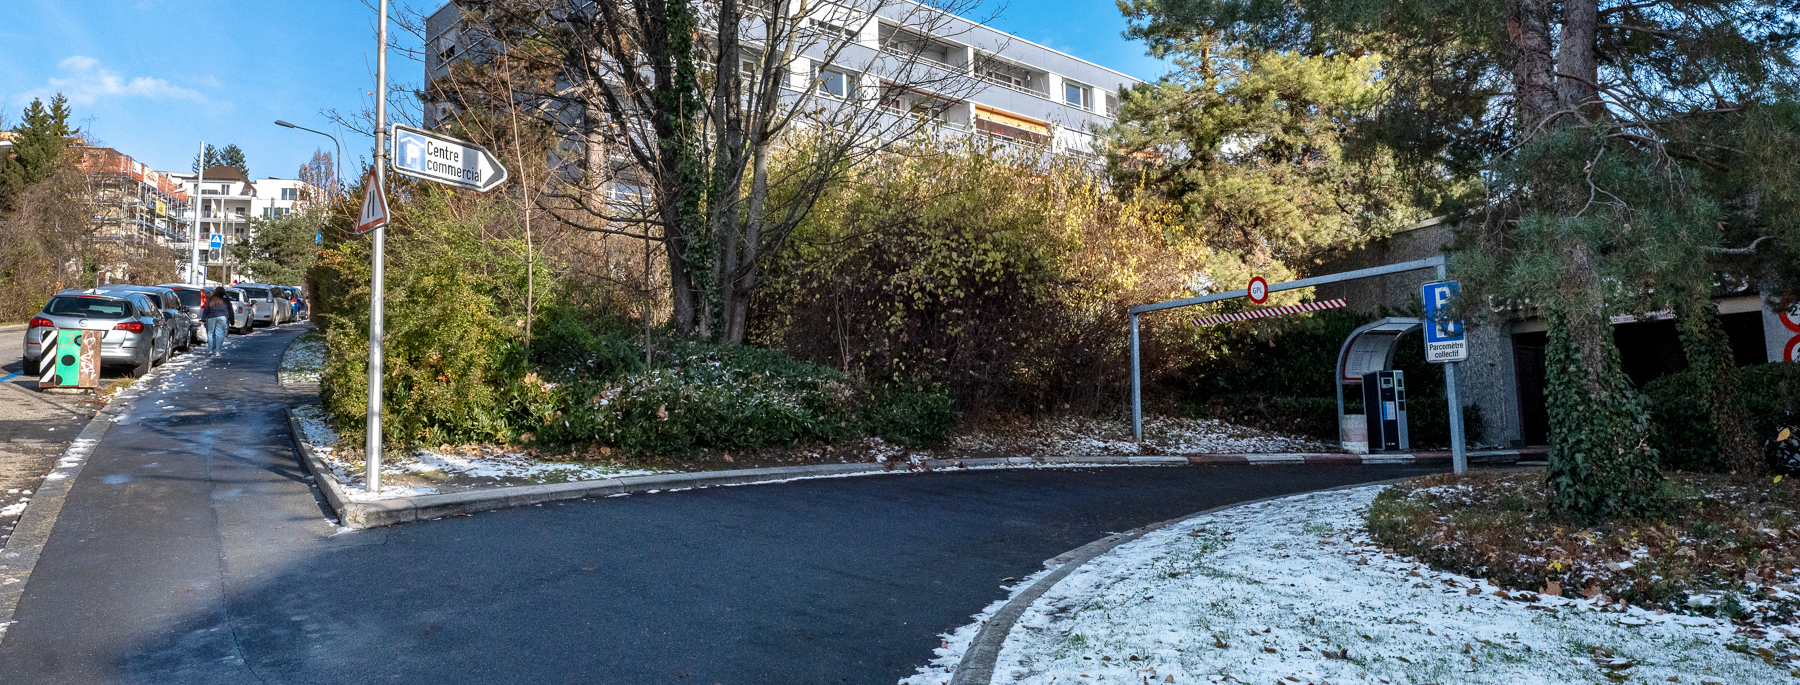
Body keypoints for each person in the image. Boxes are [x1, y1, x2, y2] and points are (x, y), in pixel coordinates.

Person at [202, 286, 231, 356]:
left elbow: (206, 309)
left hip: (211, 317)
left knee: (210, 333)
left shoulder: (211, 298)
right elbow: (230, 310)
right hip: (222, 317)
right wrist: (232, 320)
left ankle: (210, 350)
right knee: (220, 334)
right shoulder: (225, 299)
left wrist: (203, 319)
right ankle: (218, 351)